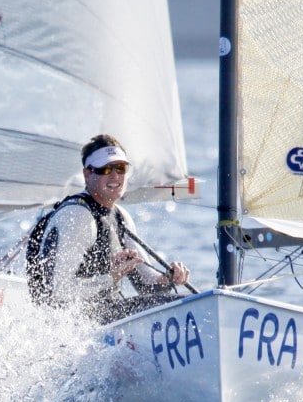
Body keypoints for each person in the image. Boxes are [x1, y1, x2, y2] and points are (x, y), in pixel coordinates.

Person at [29, 134, 190, 323]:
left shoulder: (121, 217)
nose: (115, 176)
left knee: (183, 303)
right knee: (182, 306)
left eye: (120, 168)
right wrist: (111, 276)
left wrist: (168, 278)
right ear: (87, 174)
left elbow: (146, 284)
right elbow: (60, 291)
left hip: (104, 318)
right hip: (70, 326)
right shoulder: (77, 215)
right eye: (105, 169)